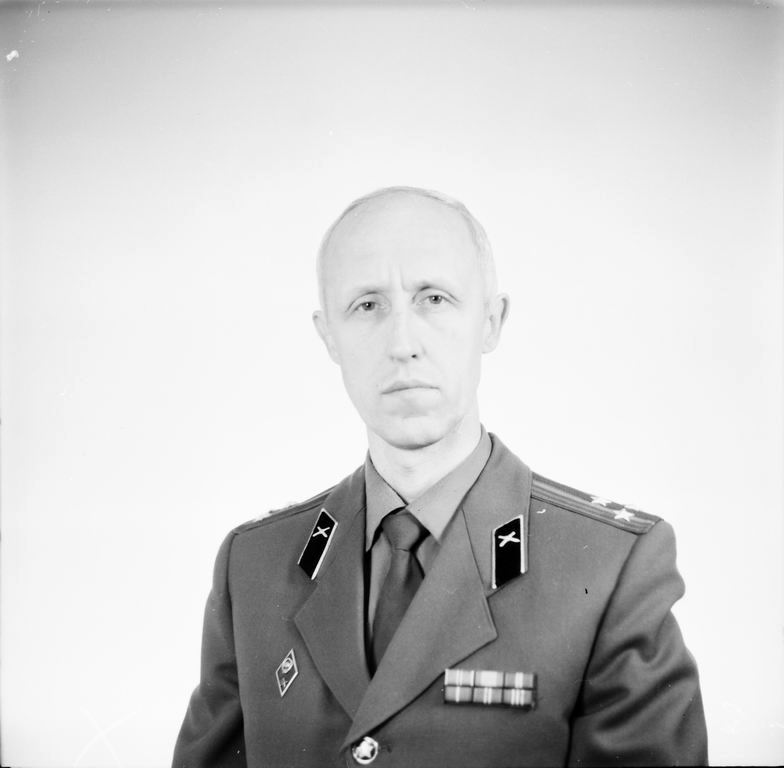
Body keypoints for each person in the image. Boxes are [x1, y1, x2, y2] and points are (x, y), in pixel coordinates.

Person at [172, 187, 707, 767]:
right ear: (329, 337)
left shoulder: (608, 568)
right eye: (367, 306)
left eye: (434, 298)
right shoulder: (254, 566)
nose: (402, 344)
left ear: (491, 322)